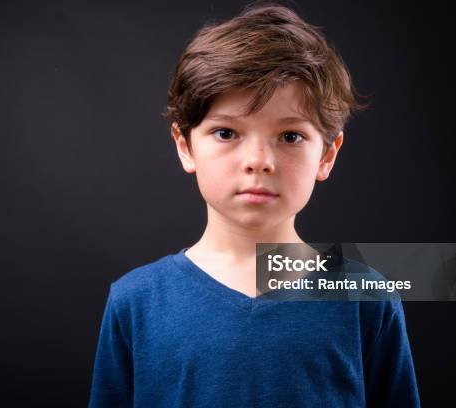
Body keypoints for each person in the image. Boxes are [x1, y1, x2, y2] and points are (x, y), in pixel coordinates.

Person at [88, 2, 420, 407]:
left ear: (328, 154)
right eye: (227, 132)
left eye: (290, 136)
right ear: (185, 146)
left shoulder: (367, 299)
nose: (258, 161)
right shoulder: (135, 301)